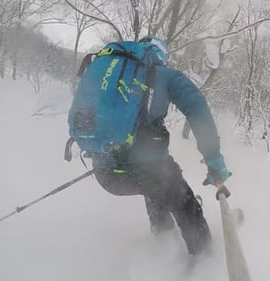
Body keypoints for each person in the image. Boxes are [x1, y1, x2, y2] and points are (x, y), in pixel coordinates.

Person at [90, 35, 231, 255]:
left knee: (154, 183)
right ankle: (204, 258)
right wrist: (214, 160)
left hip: (106, 174)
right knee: (173, 190)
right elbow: (198, 110)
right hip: (145, 169)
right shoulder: (164, 76)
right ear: (161, 57)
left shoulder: (112, 71)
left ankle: (162, 232)